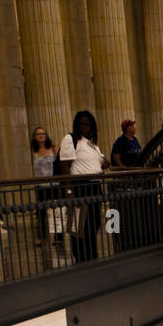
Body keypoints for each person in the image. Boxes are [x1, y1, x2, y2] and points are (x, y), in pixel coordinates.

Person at [58, 110, 108, 263]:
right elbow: (65, 166)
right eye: (82, 124)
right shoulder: (70, 139)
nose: (84, 126)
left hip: (94, 188)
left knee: (93, 226)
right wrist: (69, 191)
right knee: (79, 227)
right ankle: (80, 258)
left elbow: (98, 162)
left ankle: (91, 257)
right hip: (80, 187)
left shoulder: (91, 143)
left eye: (88, 124)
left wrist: (103, 163)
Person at [31, 127, 58, 250]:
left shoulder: (53, 148)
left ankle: (59, 236)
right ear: (35, 137)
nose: (41, 136)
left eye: (43, 133)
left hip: (54, 185)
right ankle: (42, 237)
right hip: (40, 186)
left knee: (57, 211)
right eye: (38, 134)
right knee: (41, 212)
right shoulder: (34, 151)